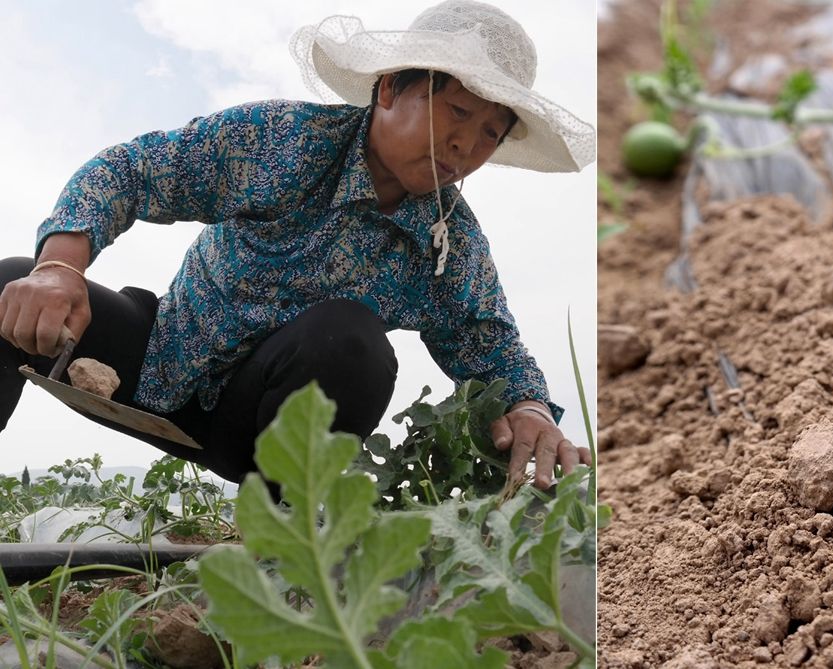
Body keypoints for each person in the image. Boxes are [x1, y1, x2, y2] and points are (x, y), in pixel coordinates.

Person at [0, 0, 595, 490]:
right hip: (156, 360)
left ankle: (286, 554)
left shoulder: (450, 243)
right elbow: (132, 172)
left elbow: (489, 341)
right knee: (10, 281)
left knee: (348, 338)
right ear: (389, 88)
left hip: (261, 437)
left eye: (490, 134)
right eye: (457, 113)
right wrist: (58, 267)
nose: (466, 145)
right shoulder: (283, 142)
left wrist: (531, 410)